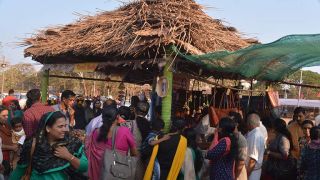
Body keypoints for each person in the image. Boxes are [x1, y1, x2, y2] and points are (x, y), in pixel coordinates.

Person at [11, 111, 88, 179]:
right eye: (60, 126)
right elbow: (19, 171)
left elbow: (84, 166)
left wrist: (68, 156)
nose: (65, 129)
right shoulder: (33, 145)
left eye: (65, 126)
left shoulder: (72, 143)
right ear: (48, 128)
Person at [85, 106, 137, 180]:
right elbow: (134, 153)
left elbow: (88, 153)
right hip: (116, 174)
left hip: (96, 175)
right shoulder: (125, 131)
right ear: (117, 116)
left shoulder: (95, 132)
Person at [246, 113, 266, 180]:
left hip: (252, 172)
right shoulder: (256, 134)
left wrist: (246, 175)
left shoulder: (255, 136)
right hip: (253, 171)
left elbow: (253, 160)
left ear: (249, 123)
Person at [229, 111, 248, 180]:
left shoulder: (240, 139)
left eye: (230, 122)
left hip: (238, 175)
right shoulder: (230, 136)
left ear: (236, 124)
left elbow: (241, 162)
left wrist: (235, 177)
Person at [0, 105, 17, 177]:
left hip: (10, 156)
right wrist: (11, 147)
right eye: (4, 116)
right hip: (3, 157)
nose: (7, 117)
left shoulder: (6, 124)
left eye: (7, 115)